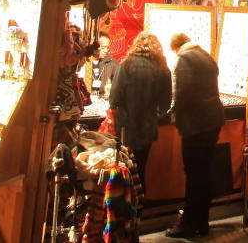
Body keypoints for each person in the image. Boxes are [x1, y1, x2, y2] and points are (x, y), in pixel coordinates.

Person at [166, 33, 224, 238]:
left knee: (193, 174)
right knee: (204, 173)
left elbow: (182, 92)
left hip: (196, 124)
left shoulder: (185, 59)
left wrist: (175, 116)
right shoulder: (206, 57)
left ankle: (188, 224)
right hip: (213, 120)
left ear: (177, 47)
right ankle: (202, 221)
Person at [108, 31, 172, 192]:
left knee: (124, 168)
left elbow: (114, 97)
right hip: (147, 128)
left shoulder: (126, 64)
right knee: (141, 168)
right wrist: (154, 116)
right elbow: (166, 104)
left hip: (126, 128)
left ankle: (122, 207)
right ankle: (139, 207)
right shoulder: (163, 69)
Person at [86, 31, 118, 99]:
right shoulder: (84, 63)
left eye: (107, 47)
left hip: (103, 101)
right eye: (103, 48)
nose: (106, 51)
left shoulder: (112, 63)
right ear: (94, 47)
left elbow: (118, 85)